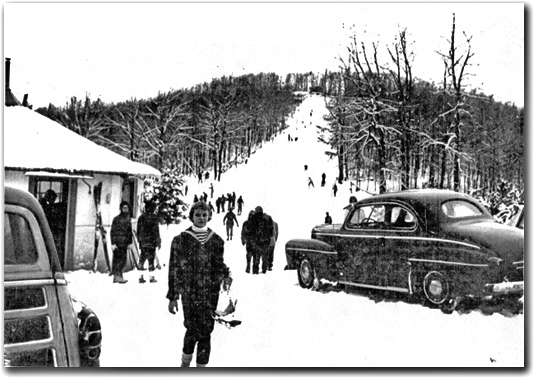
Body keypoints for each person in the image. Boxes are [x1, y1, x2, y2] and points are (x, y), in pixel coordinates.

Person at [167, 201, 232, 368]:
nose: (201, 218)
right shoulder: (181, 240)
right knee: (191, 329)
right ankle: (185, 364)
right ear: (191, 217)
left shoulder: (216, 241)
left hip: (210, 293)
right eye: (197, 215)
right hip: (190, 292)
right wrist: (173, 296)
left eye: (204, 215)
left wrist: (225, 275)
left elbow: (218, 264)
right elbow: (174, 269)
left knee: (206, 332)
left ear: (209, 216)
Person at [137, 201, 161, 283]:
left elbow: (138, 231)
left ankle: (140, 277)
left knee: (142, 258)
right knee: (151, 259)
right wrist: (158, 242)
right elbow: (156, 231)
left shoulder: (141, 217)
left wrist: (139, 241)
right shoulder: (154, 218)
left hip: (143, 242)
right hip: (151, 242)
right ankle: (151, 277)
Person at [110, 201, 133, 284]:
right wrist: (113, 243)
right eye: (124, 208)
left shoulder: (128, 219)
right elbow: (112, 232)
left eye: (127, 208)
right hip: (118, 243)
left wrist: (130, 243)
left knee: (123, 260)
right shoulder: (116, 219)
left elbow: (129, 232)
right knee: (117, 260)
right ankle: (117, 277)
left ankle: (119, 276)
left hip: (125, 243)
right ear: (121, 209)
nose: (125, 209)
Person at [249, 206, 274, 274]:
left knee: (256, 258)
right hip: (266, 242)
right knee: (265, 257)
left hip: (256, 242)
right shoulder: (268, 217)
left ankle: (255, 271)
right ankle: (264, 271)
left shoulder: (254, 217)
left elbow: (251, 229)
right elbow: (271, 230)